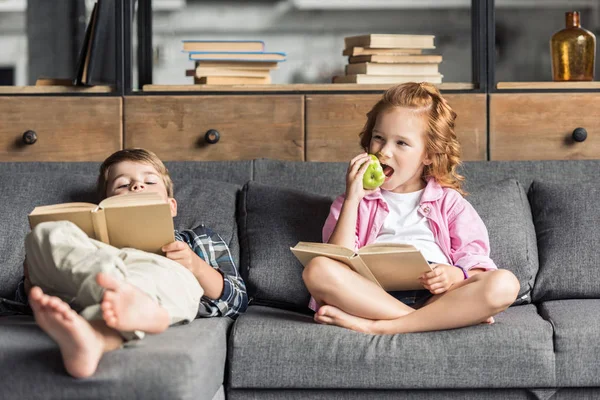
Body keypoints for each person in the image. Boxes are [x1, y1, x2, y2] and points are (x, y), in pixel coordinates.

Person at [302, 82, 519, 335]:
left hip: (436, 297)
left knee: (504, 283)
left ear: (429, 154)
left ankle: (377, 328)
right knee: (317, 269)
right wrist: (353, 199)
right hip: (371, 297)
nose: (384, 152)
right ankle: (429, 321)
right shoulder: (352, 201)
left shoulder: (449, 202)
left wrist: (456, 275)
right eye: (379, 138)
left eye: (401, 143)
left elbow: (477, 260)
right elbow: (339, 259)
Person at [16, 148, 248, 378]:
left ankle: (112, 325)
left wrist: (196, 266)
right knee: (47, 234)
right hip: (97, 272)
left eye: (149, 181)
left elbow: (238, 301)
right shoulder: (87, 241)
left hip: (161, 275)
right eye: (123, 185)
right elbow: (25, 300)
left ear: (171, 206)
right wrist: (32, 279)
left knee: (173, 276)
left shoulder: (196, 240)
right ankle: (102, 326)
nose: (136, 186)